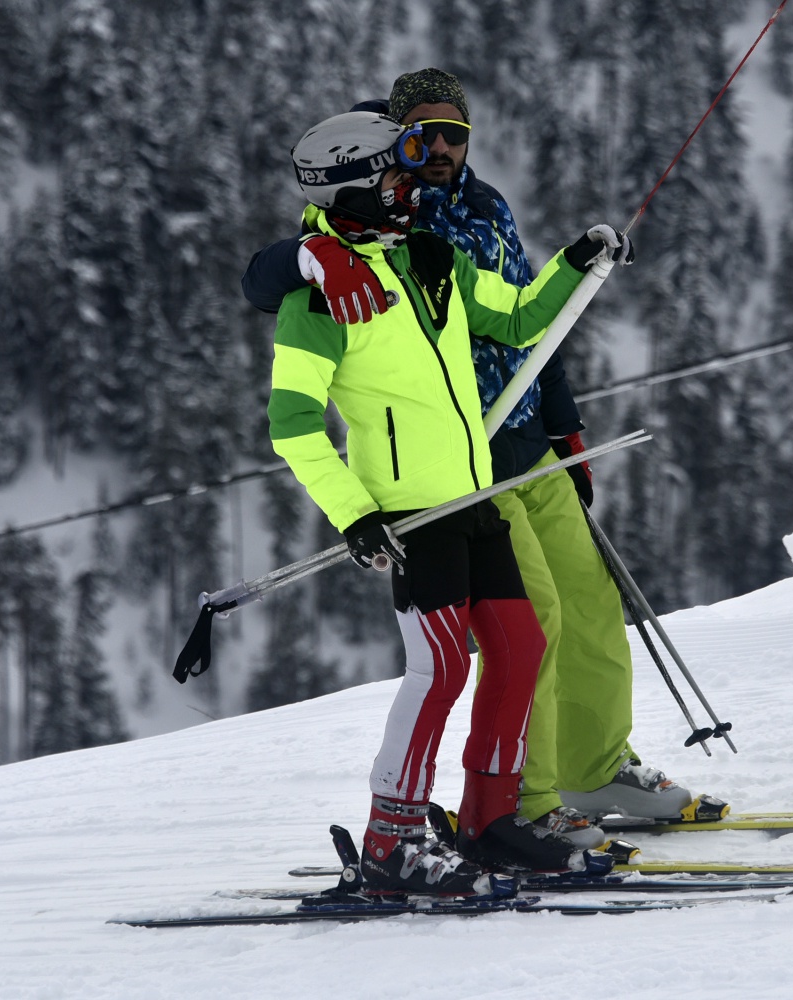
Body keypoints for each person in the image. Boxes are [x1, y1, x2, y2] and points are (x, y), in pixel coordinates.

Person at [244, 69, 715, 851]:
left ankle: (572, 780)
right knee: (492, 648)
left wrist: (565, 417)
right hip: (441, 489)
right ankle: (497, 808)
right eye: (417, 139)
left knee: (574, 617)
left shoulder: (461, 225)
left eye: (451, 134)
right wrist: (311, 257)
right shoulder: (351, 242)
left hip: (513, 458)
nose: (433, 151)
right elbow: (271, 300)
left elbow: (528, 318)